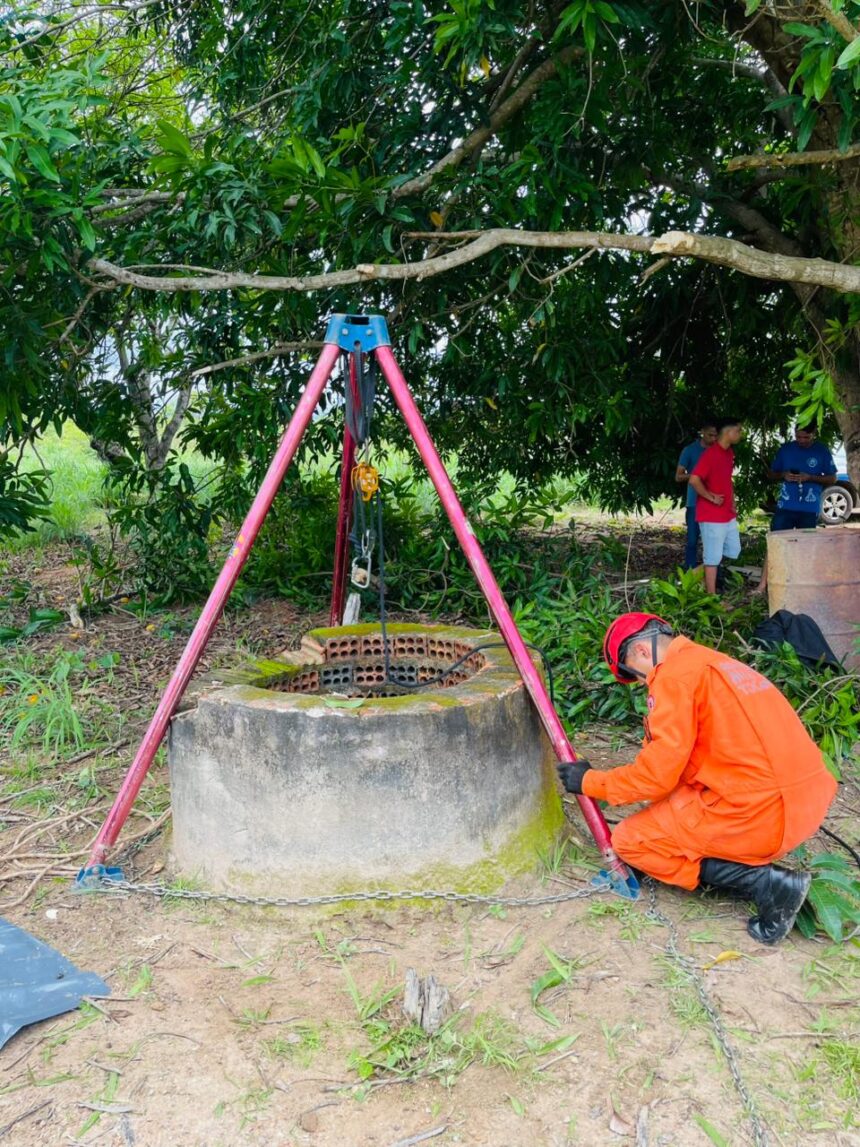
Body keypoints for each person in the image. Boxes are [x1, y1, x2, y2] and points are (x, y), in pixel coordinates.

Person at [558, 613, 837, 944]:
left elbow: (656, 777)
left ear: (642, 654)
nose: (643, 684)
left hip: (762, 816)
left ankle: (766, 883)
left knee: (632, 840)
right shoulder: (716, 663)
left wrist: (589, 781)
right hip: (806, 804)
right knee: (669, 809)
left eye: (635, 675)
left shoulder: (673, 679)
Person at [756, 425, 837, 594]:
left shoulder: (822, 451)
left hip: (809, 508)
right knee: (775, 543)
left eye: (806, 438)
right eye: (798, 437)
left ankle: (802, 587)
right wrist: (783, 475)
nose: (801, 441)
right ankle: (763, 585)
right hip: (785, 506)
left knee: (805, 547)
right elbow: (771, 474)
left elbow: (832, 478)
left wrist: (810, 477)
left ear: (814, 434)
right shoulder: (786, 449)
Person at [689, 417, 743, 595]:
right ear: (729, 433)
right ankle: (711, 598)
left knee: (734, 550)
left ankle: (697, 573)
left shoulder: (728, 453)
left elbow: (727, 480)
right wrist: (710, 497)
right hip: (711, 515)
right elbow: (694, 479)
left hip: (727, 513)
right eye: (738, 431)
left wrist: (732, 502)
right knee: (713, 557)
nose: (740, 434)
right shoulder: (711, 454)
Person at [675, 421, 718, 570]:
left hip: (713, 501)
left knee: (712, 541)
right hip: (695, 502)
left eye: (716, 436)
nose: (713, 439)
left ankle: (712, 572)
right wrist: (696, 475)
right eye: (710, 435)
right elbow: (678, 476)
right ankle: (689, 570)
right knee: (692, 540)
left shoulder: (718, 451)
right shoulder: (690, 450)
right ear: (702, 433)